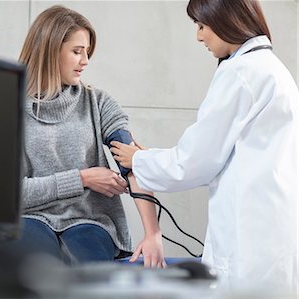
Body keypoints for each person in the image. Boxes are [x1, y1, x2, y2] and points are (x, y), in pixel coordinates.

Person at [111, 0, 298, 291]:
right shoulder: (273, 69)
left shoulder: (240, 73)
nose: (199, 36)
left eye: (201, 26)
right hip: (271, 230)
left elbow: (194, 161)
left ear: (225, 20)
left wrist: (138, 160)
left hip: (247, 238)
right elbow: (223, 155)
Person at [16, 5, 165, 268]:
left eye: (87, 52)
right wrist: (82, 178)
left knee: (86, 275)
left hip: (90, 221)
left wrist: (152, 233)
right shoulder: (8, 107)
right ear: (50, 50)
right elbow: (10, 193)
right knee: (36, 271)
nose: (85, 61)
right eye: (77, 51)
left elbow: (131, 166)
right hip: (30, 218)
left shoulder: (98, 103)